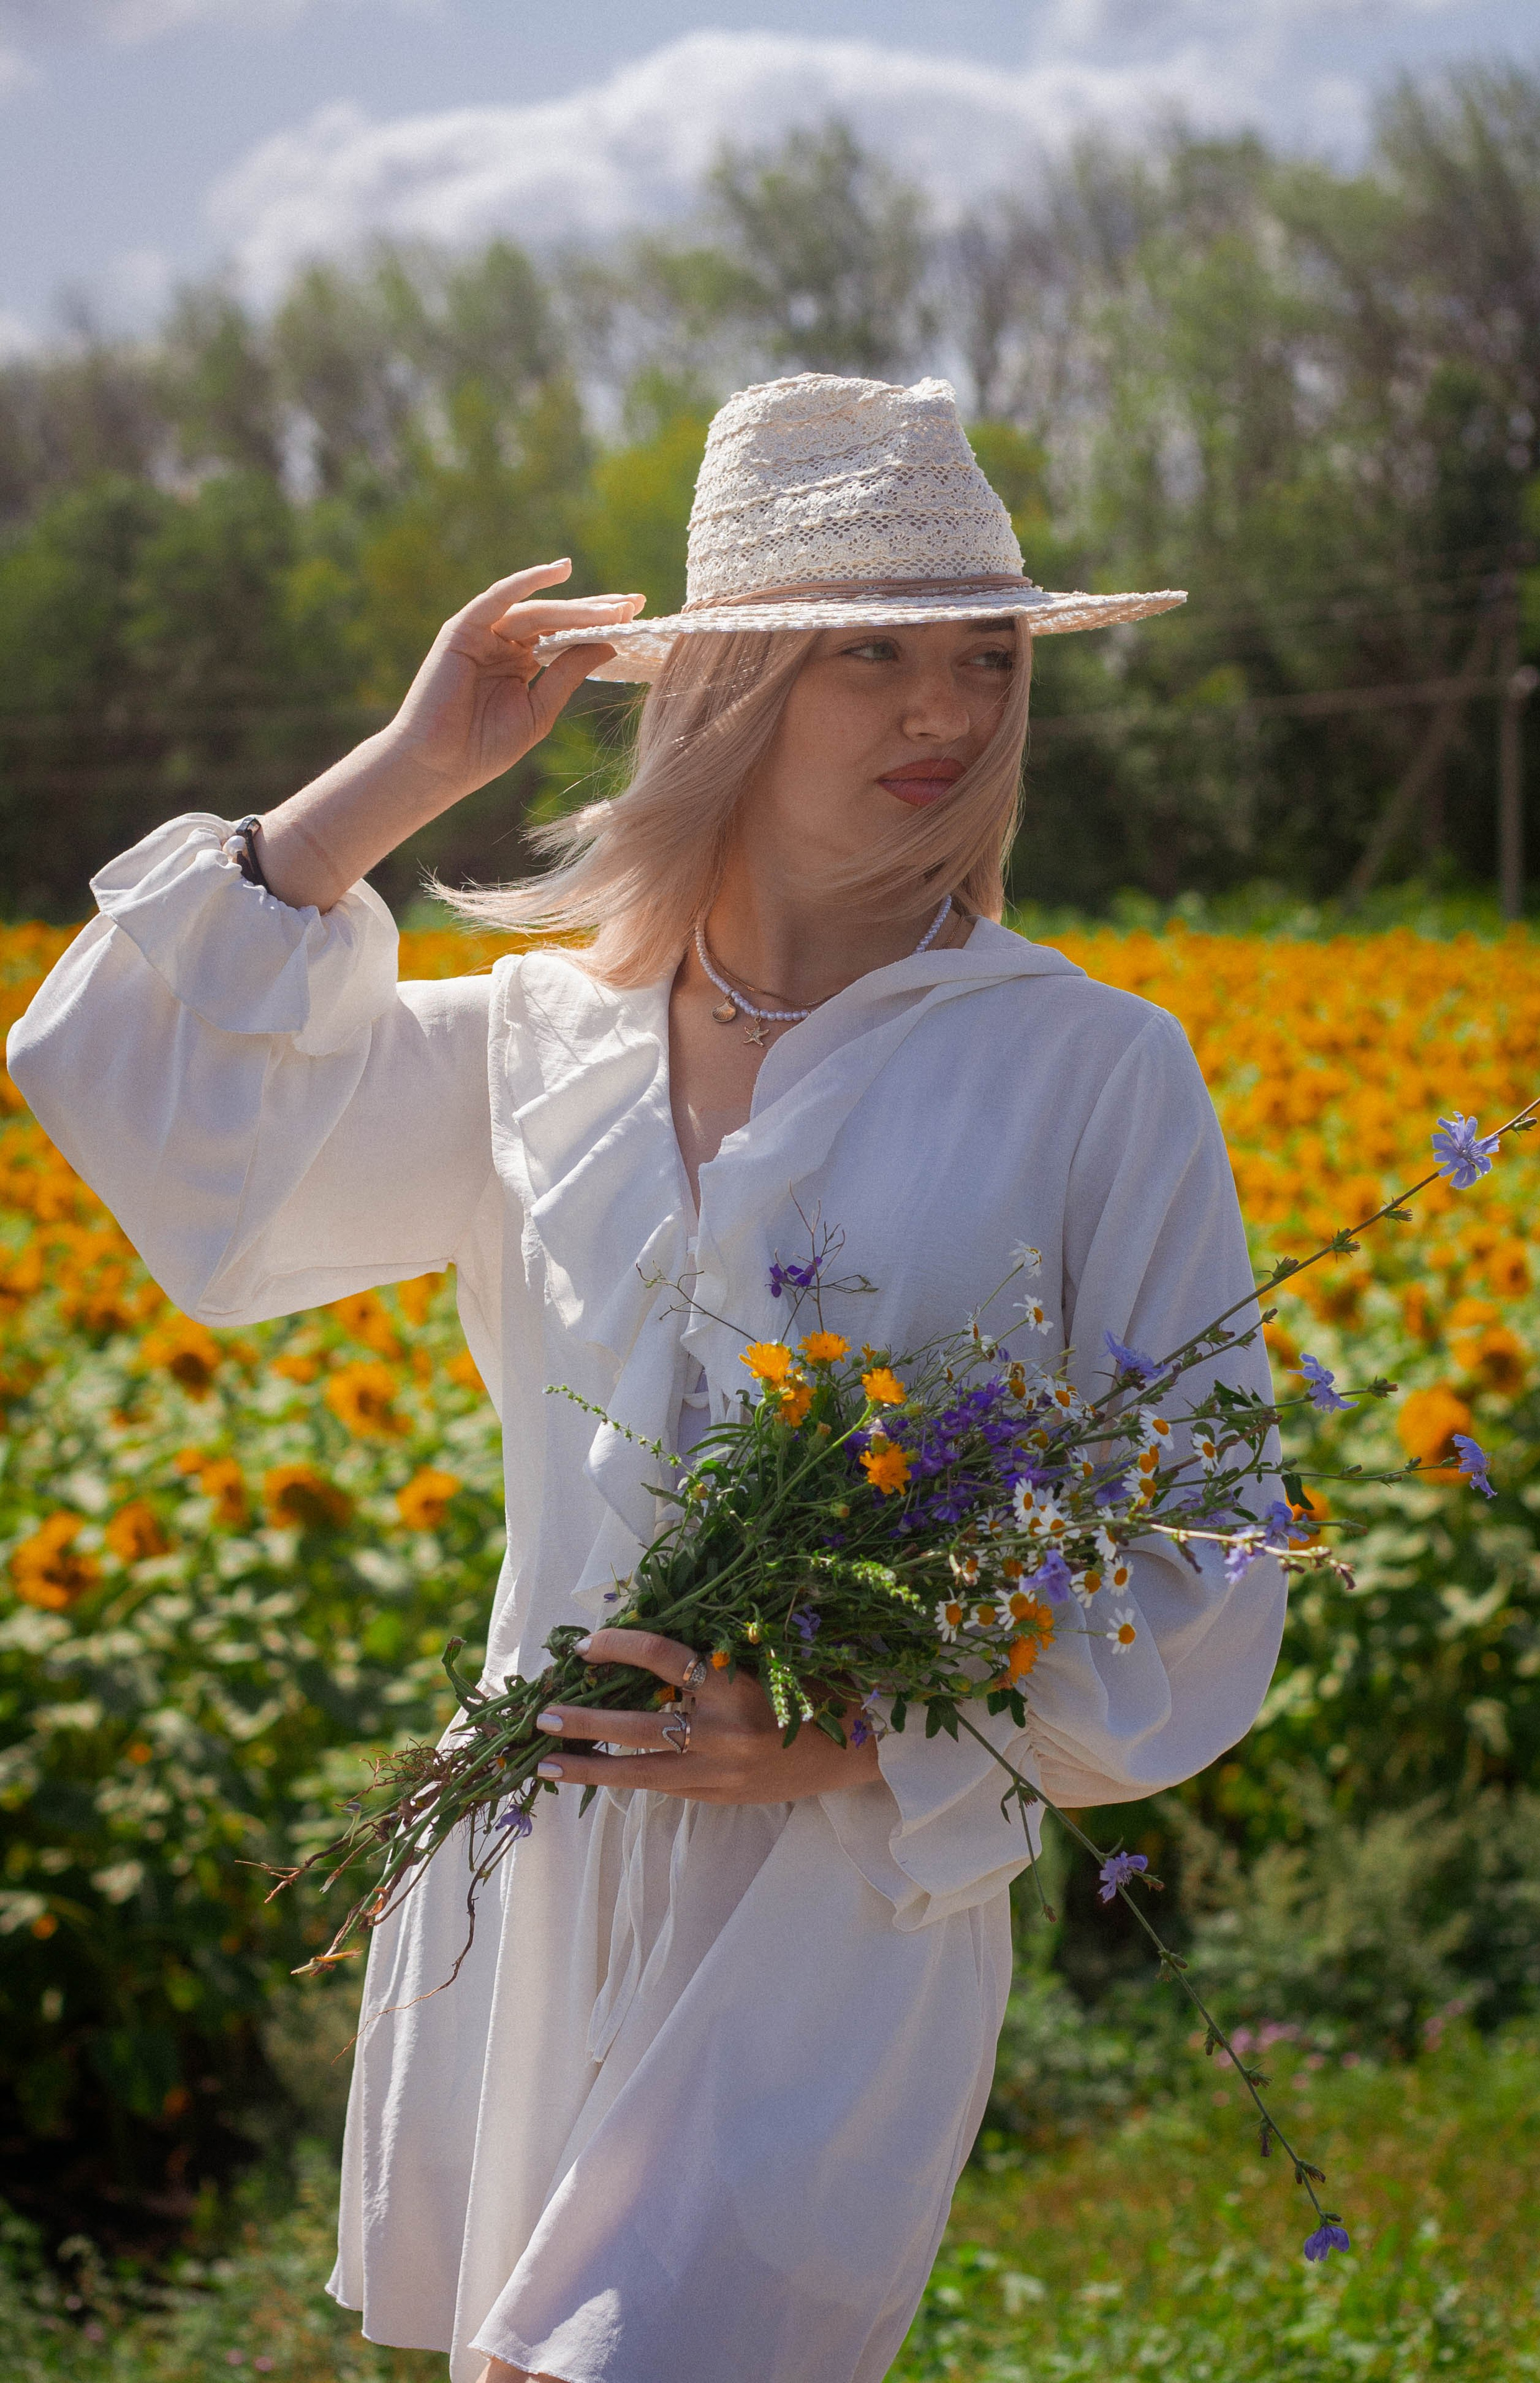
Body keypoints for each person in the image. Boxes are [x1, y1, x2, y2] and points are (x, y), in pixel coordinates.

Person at [9, 372, 1286, 2383]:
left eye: (982, 656)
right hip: (529, 1856)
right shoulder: (538, 1044)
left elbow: (1210, 1540)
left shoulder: (1086, 1066)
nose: (946, 712)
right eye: (870, 652)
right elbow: (139, 1094)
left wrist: (862, 1728)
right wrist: (408, 768)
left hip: (840, 1896)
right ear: (723, 689)